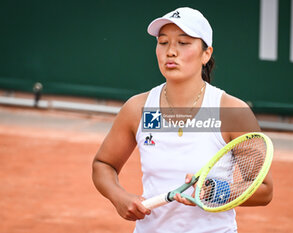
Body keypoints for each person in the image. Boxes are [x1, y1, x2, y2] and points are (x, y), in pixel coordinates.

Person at [92, 7, 273, 233]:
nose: (171, 52)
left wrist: (217, 192)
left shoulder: (233, 111)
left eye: (184, 43)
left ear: (206, 54)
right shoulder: (136, 109)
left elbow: (264, 189)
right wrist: (119, 197)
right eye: (163, 42)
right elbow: (103, 165)